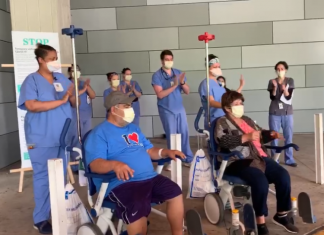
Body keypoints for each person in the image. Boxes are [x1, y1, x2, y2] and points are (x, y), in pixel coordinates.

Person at [85, 91, 185, 235]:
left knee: (174, 191)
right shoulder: (99, 133)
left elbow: (149, 150)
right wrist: (115, 165)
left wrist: (165, 152)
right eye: (126, 106)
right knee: (137, 205)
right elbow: (95, 164)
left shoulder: (133, 129)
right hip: (121, 183)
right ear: (114, 109)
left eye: (130, 106)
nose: (131, 110)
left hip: (149, 178)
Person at [215, 90, 299, 235]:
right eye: (237, 104)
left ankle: (281, 215)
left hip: (260, 157)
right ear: (227, 108)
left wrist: (270, 134)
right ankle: (260, 223)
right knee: (260, 181)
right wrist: (245, 137)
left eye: (241, 103)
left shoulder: (246, 119)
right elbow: (223, 141)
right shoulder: (222, 122)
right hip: (239, 160)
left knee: (283, 175)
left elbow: (260, 135)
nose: (240, 106)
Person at [18, 43, 77, 234]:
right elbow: (32, 105)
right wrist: (60, 100)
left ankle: (58, 212)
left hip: (62, 135)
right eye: (51, 59)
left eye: (56, 58)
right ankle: (41, 218)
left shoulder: (60, 77)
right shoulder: (32, 80)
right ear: (40, 60)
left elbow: (73, 101)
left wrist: (72, 94)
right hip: (42, 136)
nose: (55, 62)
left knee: (59, 177)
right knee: (43, 176)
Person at [151, 50, 193, 169]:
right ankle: (172, 159)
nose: (169, 61)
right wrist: (174, 85)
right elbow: (160, 94)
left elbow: (187, 91)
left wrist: (182, 82)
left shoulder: (178, 73)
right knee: (172, 134)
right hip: (166, 109)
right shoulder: (157, 76)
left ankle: (187, 158)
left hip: (179, 108)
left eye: (171, 59)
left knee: (184, 133)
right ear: (161, 61)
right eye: (166, 59)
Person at [267, 61, 296, 167]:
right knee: (274, 136)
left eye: (282, 69)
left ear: (286, 70)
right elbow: (272, 97)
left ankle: (289, 159)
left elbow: (288, 97)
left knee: (288, 136)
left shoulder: (290, 80)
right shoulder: (272, 81)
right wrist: (275, 88)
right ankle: (275, 159)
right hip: (274, 112)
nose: (280, 71)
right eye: (278, 69)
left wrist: (284, 90)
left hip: (287, 112)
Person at [68, 65, 96, 172]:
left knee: (86, 139)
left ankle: (85, 164)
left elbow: (93, 95)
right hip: (75, 115)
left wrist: (86, 86)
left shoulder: (83, 83)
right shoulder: (68, 84)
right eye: (73, 71)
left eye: (77, 70)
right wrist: (82, 89)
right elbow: (71, 98)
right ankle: (76, 166)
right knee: (76, 140)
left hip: (86, 115)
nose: (75, 72)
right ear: (69, 72)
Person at [198, 54, 226, 130]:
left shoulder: (219, 83)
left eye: (218, 67)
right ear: (208, 68)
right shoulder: (206, 84)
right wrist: (225, 106)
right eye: (214, 67)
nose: (217, 69)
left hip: (223, 117)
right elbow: (211, 102)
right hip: (213, 119)